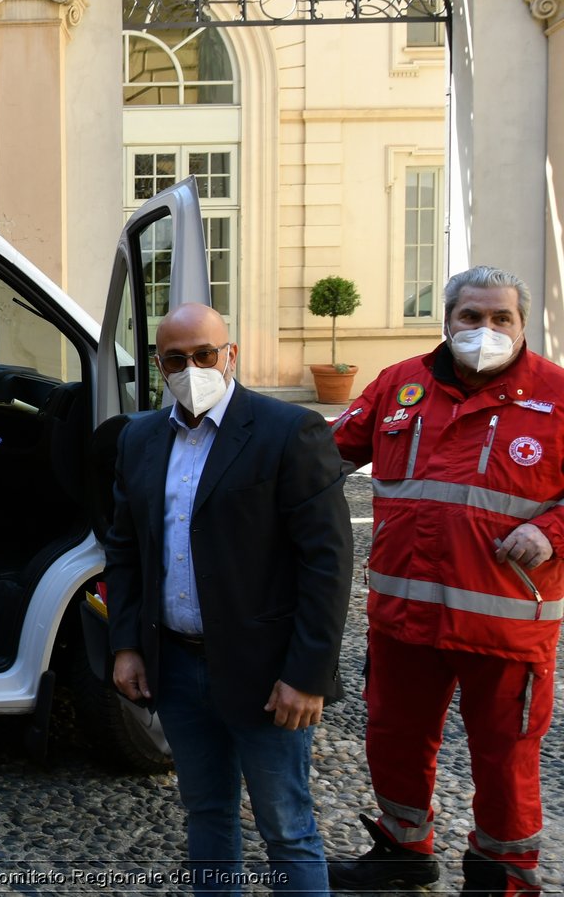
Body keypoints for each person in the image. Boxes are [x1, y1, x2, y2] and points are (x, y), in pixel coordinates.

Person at [329, 265, 563, 897]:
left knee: (505, 762)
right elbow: (325, 455)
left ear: (522, 325)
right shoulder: (399, 385)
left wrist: (552, 532)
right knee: (394, 742)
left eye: (500, 318)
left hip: (507, 628)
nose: (484, 329)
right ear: (448, 320)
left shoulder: (558, 396)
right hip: (404, 620)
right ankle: (403, 850)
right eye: (471, 316)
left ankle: (503, 878)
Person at [104, 302, 352, 896]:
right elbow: (125, 549)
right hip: (179, 668)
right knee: (207, 816)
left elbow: (327, 562)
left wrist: (308, 675)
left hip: (269, 677)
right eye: (175, 359)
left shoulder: (288, 431)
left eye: (204, 354)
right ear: (159, 367)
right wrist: (127, 644)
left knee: (286, 827)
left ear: (230, 355)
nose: (192, 368)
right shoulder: (138, 438)